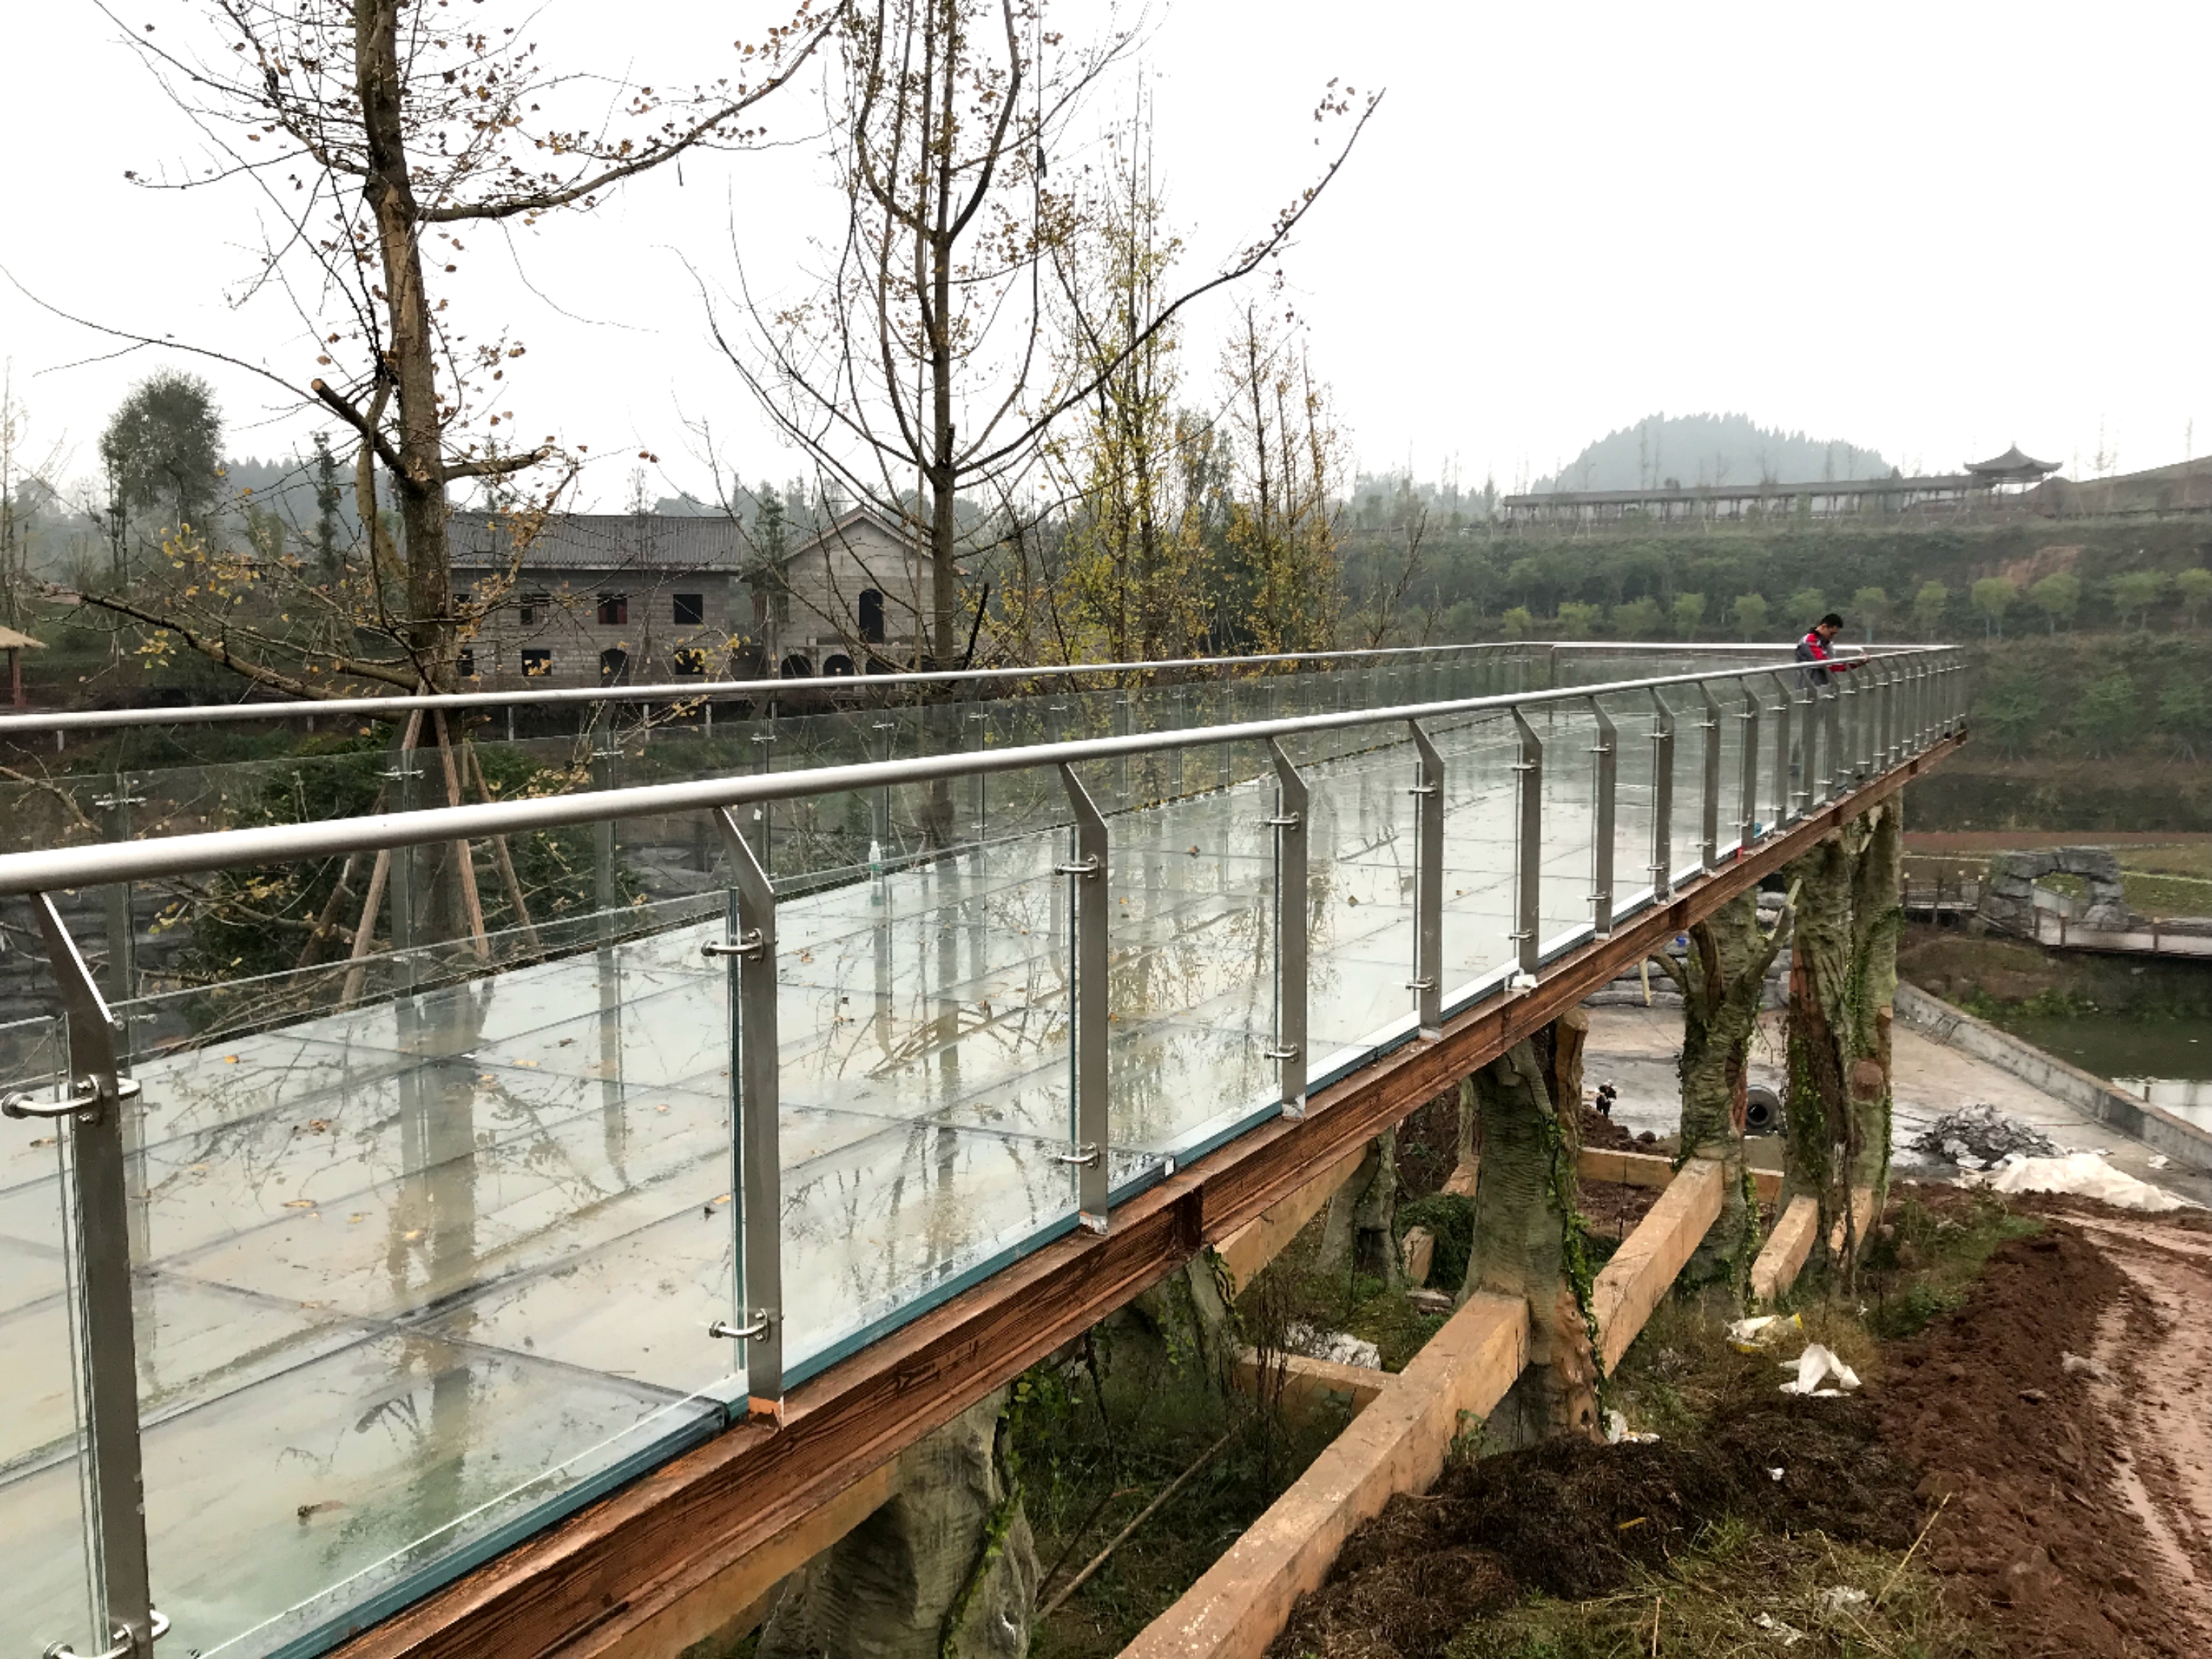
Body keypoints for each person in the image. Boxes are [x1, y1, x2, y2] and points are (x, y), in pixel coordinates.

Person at [1794, 611, 1857, 686]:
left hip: (1825, 685)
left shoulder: (1826, 642)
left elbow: (1832, 663)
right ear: (1824, 626)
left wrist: (1855, 663)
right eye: (1831, 633)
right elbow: (1826, 664)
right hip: (1810, 686)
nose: (1832, 637)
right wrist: (1855, 663)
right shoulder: (1809, 641)